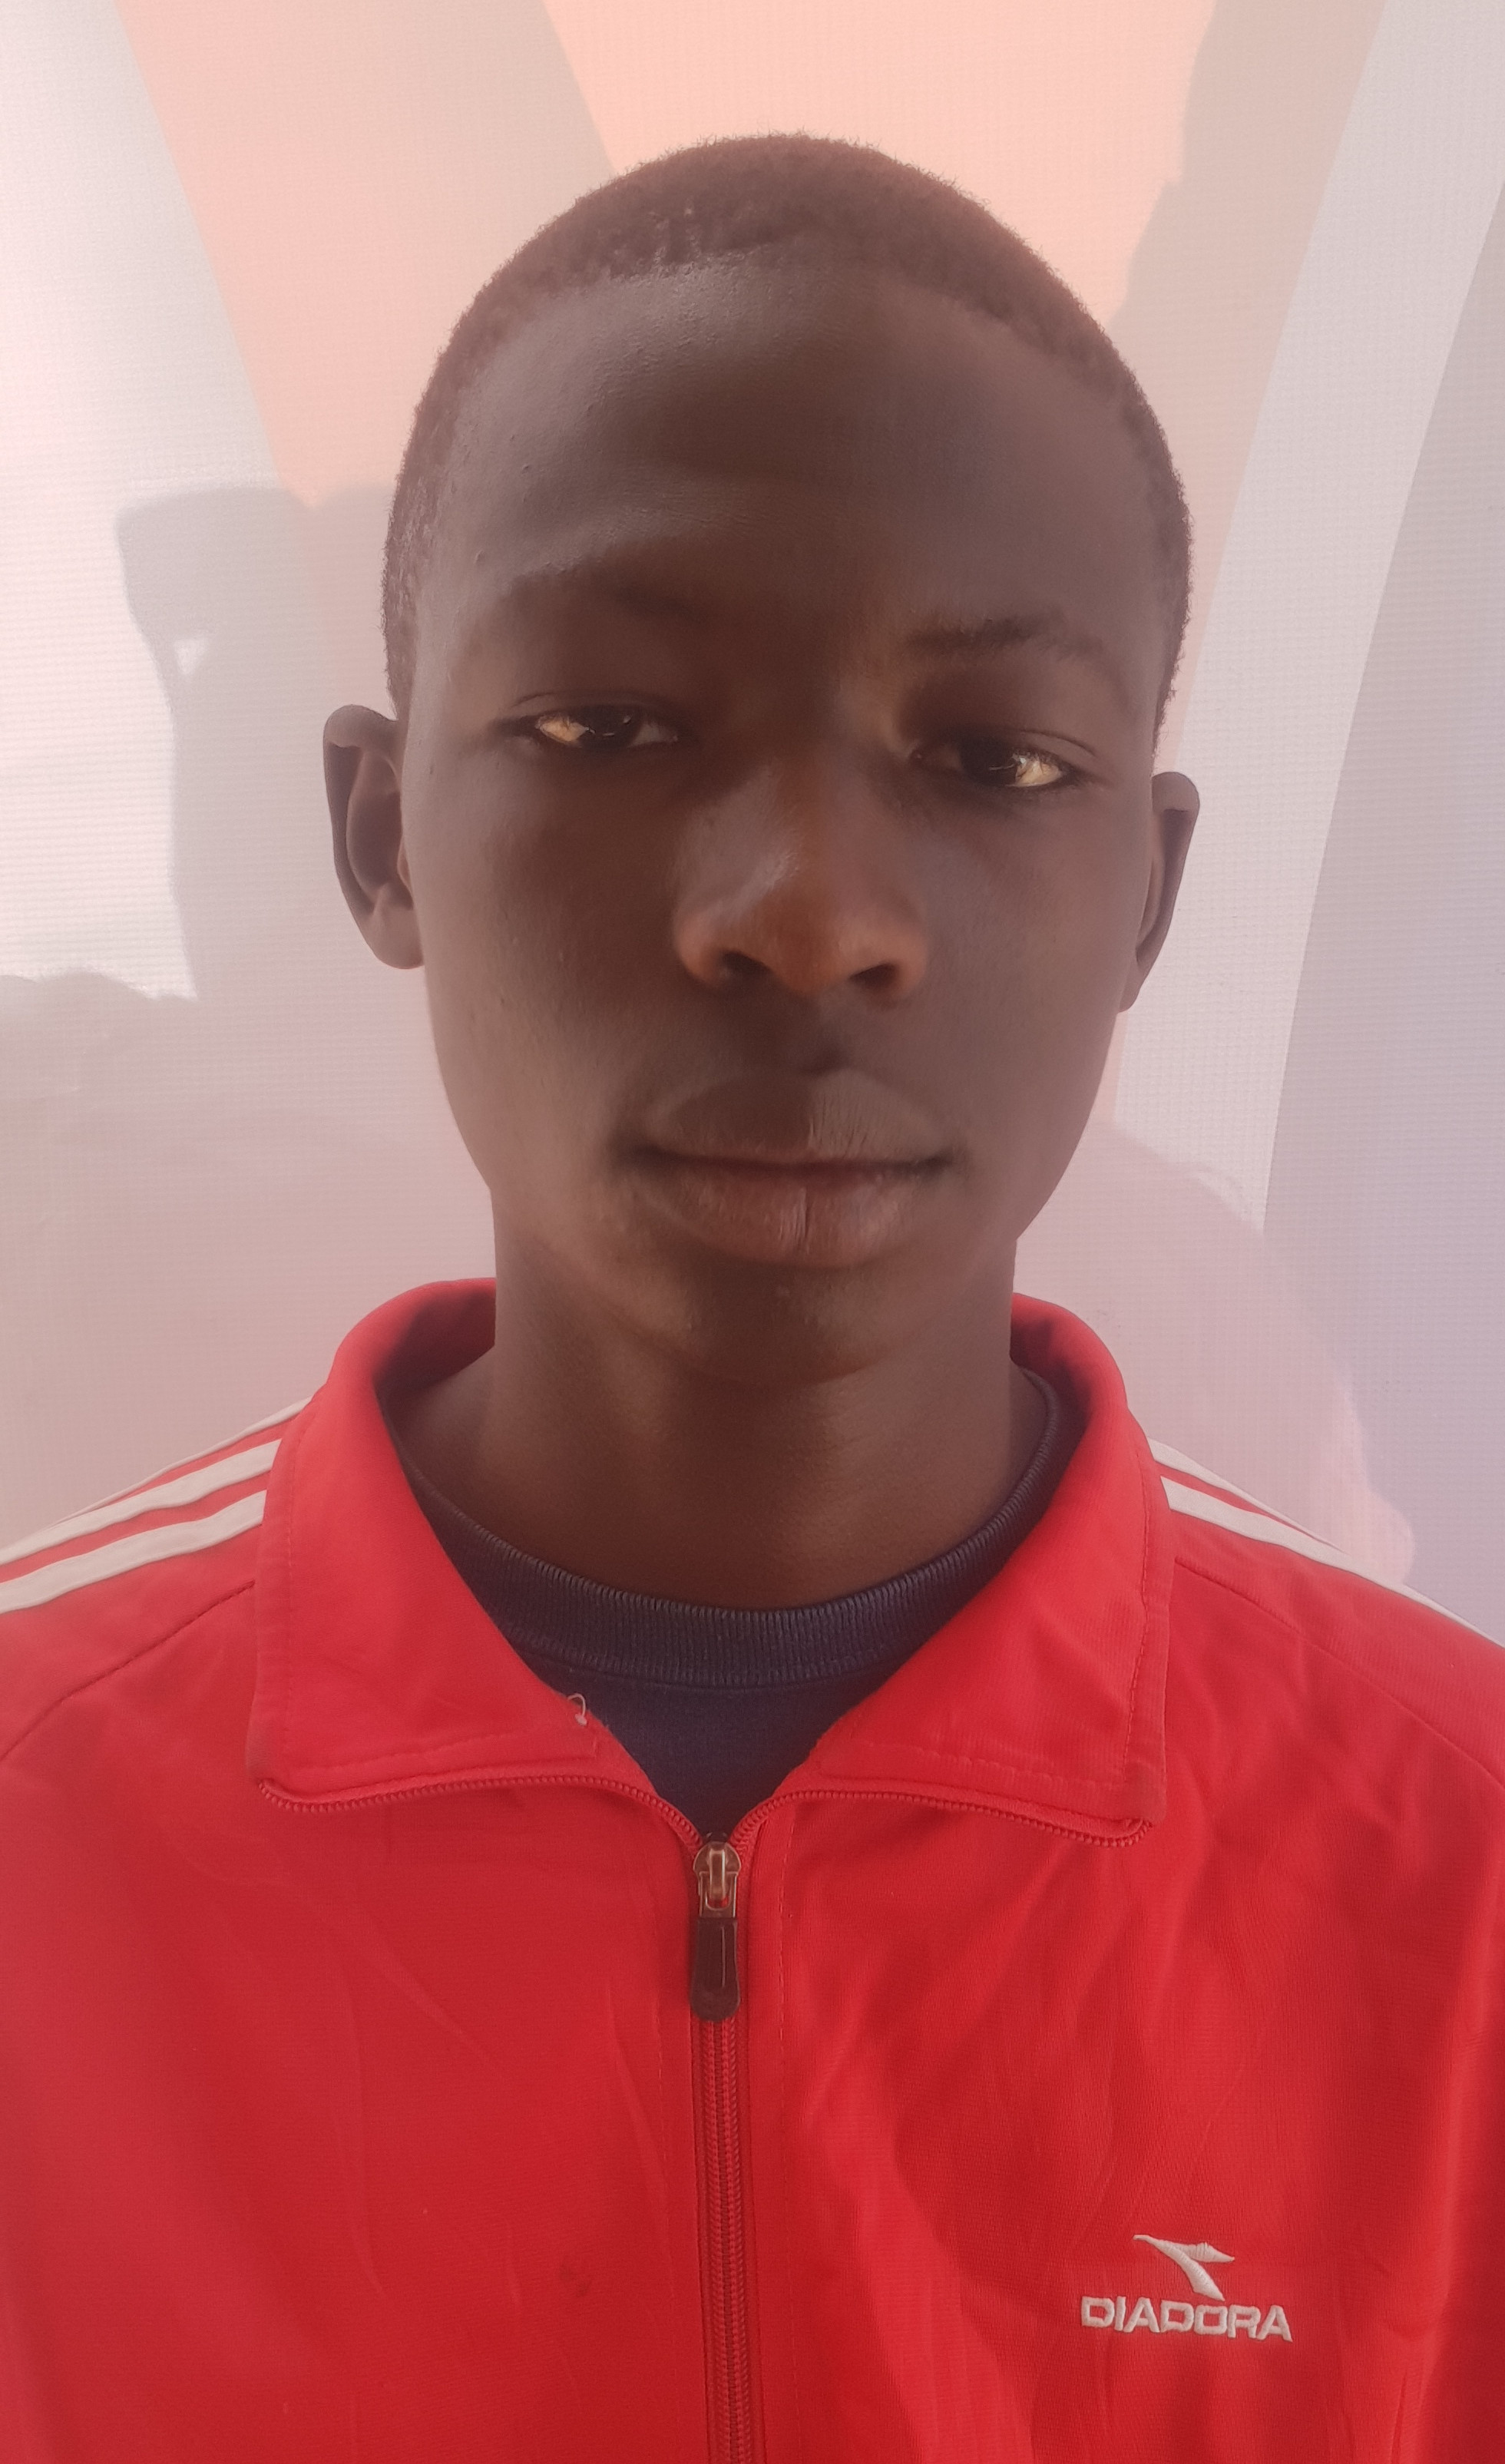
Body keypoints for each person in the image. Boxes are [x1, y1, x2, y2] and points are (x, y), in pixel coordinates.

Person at [2, 135, 1500, 2461]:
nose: (807, 910)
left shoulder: (1463, 1874)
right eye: (612, 725)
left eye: (993, 757)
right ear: (383, 838)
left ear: (1146, 896)